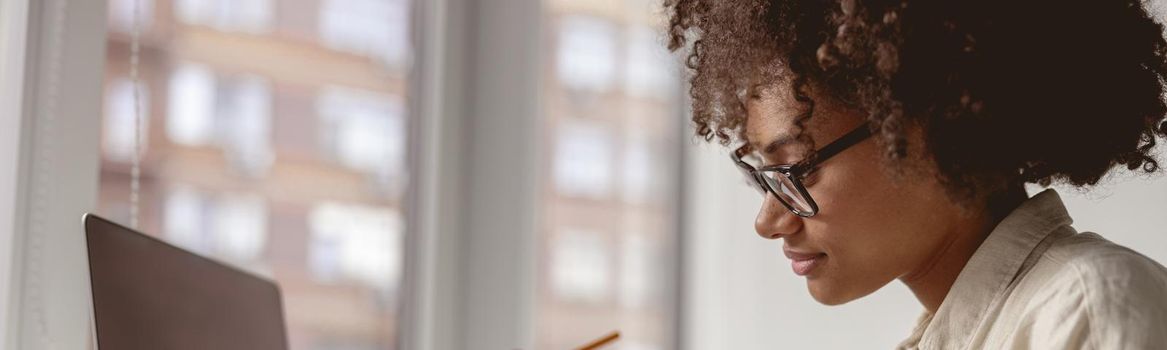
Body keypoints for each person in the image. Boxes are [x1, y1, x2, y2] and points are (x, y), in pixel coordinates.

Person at [664, 0, 1167, 348]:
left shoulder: (1086, 309)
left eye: (800, 167)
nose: (769, 220)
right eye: (765, 176)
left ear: (937, 129)